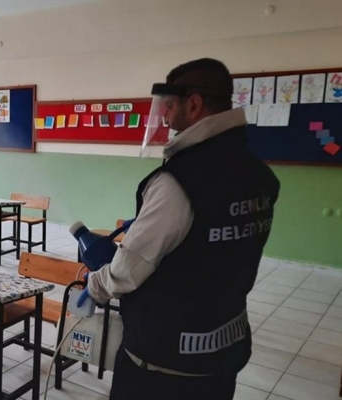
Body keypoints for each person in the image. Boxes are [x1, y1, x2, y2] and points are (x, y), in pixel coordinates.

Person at [81, 58, 280, 400]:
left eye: (169, 105)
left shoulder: (178, 181)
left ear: (194, 104)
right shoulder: (258, 174)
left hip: (163, 362)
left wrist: (94, 287)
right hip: (223, 348)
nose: (165, 115)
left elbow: (129, 269)